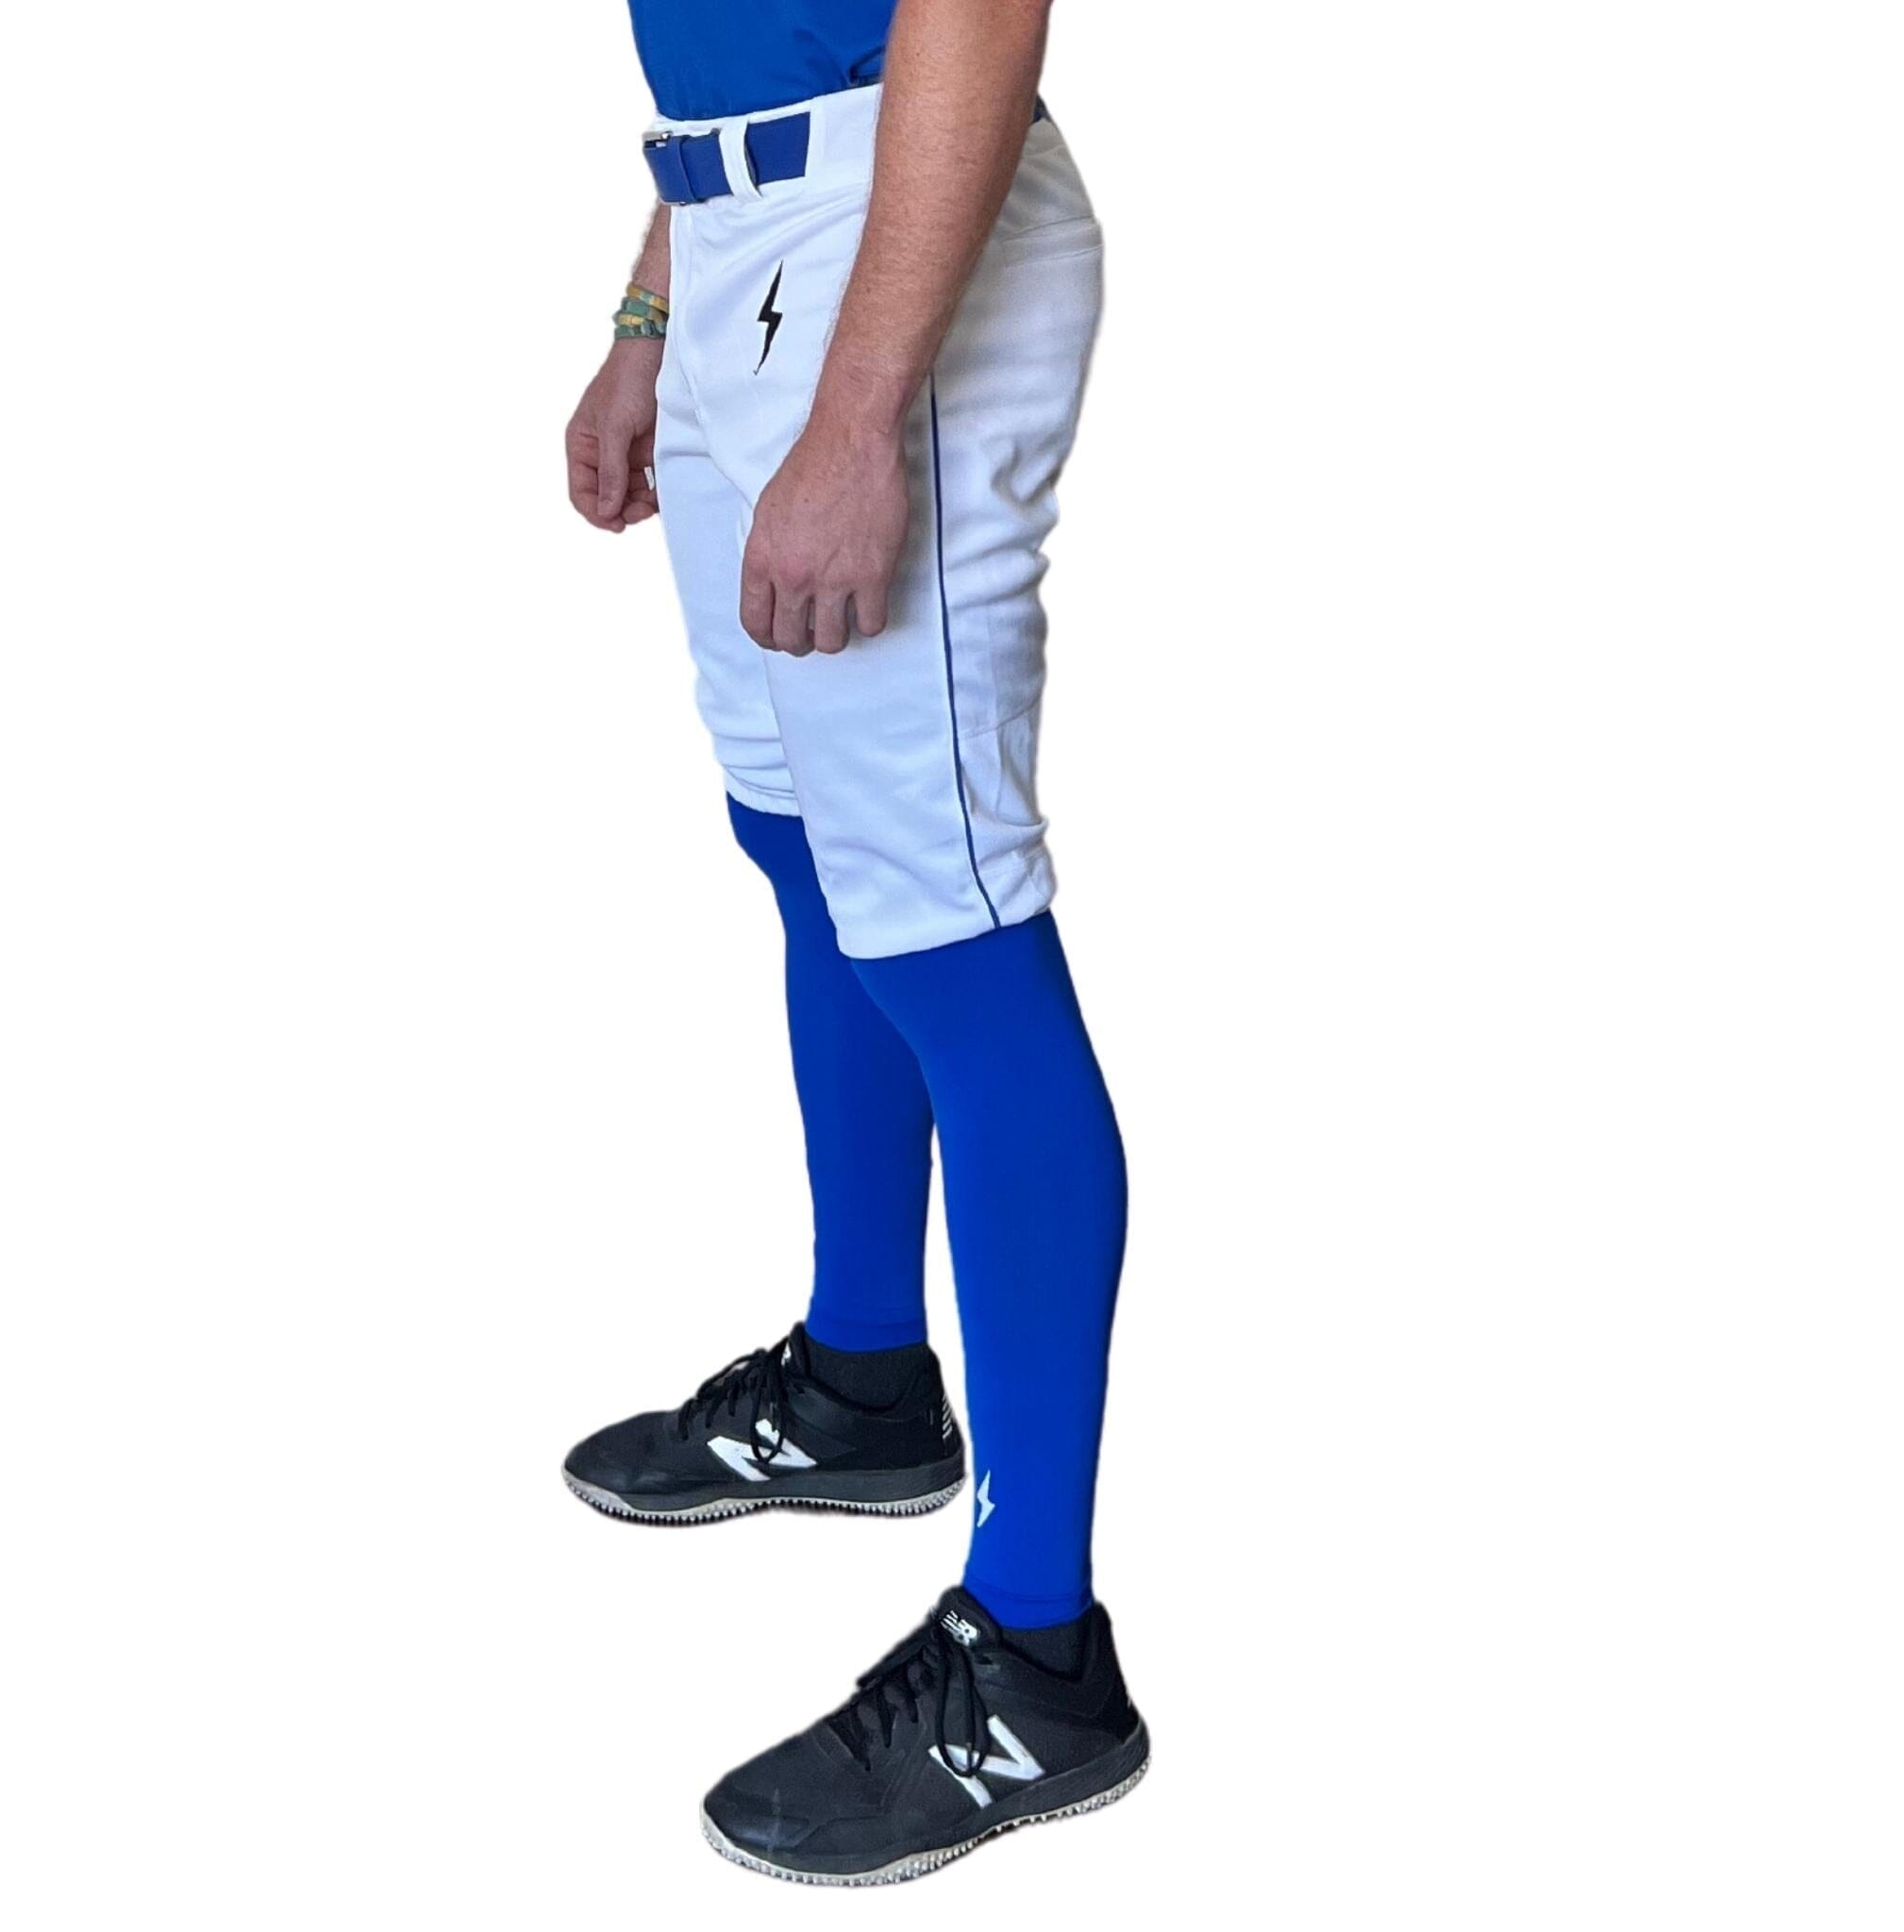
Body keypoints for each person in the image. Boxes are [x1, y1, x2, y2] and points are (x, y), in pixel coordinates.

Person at [560, 0, 1145, 1884]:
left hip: (887, 254)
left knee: (949, 923)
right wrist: (650, 319)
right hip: (738, 240)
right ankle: (865, 1378)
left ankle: (1037, 1661)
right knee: (803, 843)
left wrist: (858, 409)